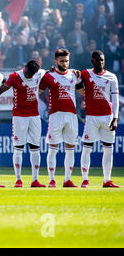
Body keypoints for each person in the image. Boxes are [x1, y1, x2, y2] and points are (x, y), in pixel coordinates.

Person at [38, 49, 82, 188]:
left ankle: (67, 180)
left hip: (71, 116)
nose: (65, 63)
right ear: (55, 61)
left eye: (67, 61)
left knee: (70, 148)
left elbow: (83, 92)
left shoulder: (74, 75)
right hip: (55, 116)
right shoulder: (48, 76)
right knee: (53, 148)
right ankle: (52, 180)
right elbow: (36, 92)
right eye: (62, 61)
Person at [0, 60, 46, 188]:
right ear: (24, 68)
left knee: (35, 148)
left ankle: (35, 180)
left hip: (35, 116)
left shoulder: (40, 74)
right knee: (18, 148)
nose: (28, 75)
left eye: (31, 74)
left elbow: (54, 72)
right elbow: (1, 90)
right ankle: (18, 180)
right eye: (27, 72)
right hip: (19, 117)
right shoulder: (15, 76)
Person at [78, 51, 120, 188]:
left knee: (108, 149)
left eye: (102, 60)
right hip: (91, 118)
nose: (100, 62)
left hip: (107, 117)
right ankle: (85, 179)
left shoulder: (112, 77)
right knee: (87, 148)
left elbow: (115, 98)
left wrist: (115, 118)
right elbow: (74, 78)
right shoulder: (86, 74)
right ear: (92, 61)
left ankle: (107, 180)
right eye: (97, 60)